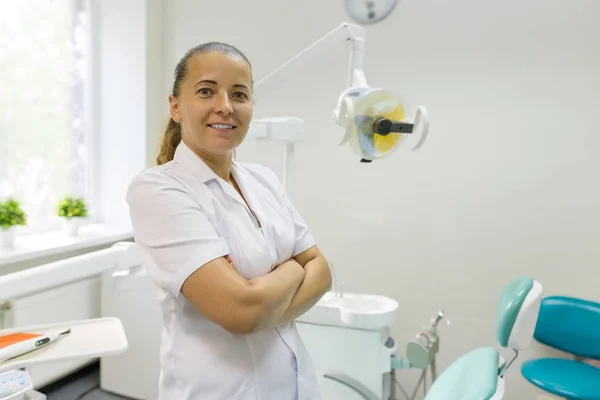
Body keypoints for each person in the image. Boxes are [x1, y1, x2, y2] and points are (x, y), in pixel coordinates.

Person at [125, 41, 332, 400]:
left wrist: (264, 303)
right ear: (176, 106)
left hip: (293, 385)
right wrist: (294, 270)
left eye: (239, 94)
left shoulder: (263, 179)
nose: (225, 106)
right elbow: (241, 311)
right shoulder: (158, 189)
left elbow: (323, 270)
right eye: (206, 91)